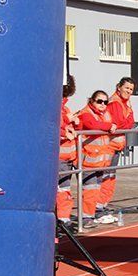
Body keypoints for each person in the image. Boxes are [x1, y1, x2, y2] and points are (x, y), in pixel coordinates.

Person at [97, 77, 136, 222]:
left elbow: (129, 123)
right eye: (126, 88)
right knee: (105, 176)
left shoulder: (124, 104)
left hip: (116, 146)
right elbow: (121, 124)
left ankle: (102, 206)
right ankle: (98, 208)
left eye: (131, 89)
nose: (129, 92)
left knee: (110, 177)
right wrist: (129, 121)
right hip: (109, 146)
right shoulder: (115, 103)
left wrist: (128, 121)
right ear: (119, 87)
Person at [77, 90, 116, 229]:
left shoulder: (104, 114)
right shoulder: (86, 113)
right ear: (92, 101)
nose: (102, 104)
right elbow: (91, 125)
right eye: (99, 101)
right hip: (88, 160)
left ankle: (93, 214)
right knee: (90, 189)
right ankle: (86, 217)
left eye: (105, 102)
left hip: (100, 161)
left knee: (97, 188)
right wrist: (108, 127)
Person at [57, 75, 80, 225]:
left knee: (63, 189)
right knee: (62, 189)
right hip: (60, 156)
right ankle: (62, 219)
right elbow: (54, 125)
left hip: (67, 156)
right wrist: (66, 132)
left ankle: (63, 218)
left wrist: (73, 124)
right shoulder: (59, 107)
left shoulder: (64, 108)